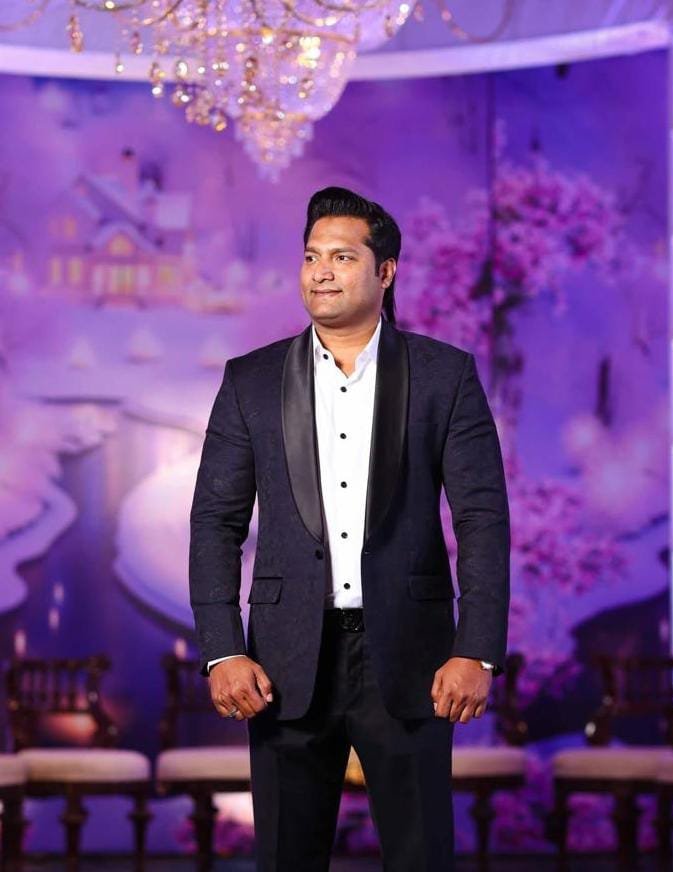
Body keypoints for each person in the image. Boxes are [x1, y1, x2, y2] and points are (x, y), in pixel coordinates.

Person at [189, 186, 510, 871]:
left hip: (414, 658)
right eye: (311, 257)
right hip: (282, 663)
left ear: (385, 271)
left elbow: (482, 518)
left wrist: (477, 650)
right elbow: (215, 522)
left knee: (422, 859)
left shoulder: (444, 375)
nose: (321, 272)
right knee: (287, 859)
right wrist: (222, 651)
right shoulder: (251, 380)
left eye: (342, 256)